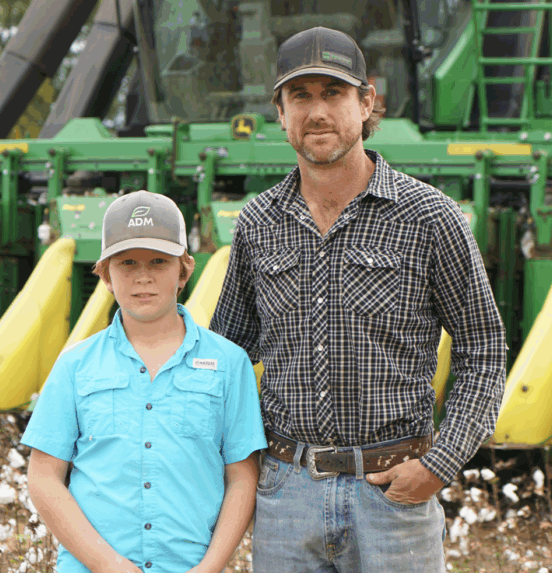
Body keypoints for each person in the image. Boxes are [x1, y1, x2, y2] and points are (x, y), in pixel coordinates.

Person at [209, 27, 507, 572]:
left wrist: (439, 465)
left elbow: (483, 349)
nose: (317, 112)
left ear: (367, 103)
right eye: (300, 96)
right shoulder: (258, 223)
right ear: (280, 113)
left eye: (334, 93)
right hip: (287, 495)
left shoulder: (429, 217)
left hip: (393, 496)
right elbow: (225, 355)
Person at [22, 190, 267, 573]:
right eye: (127, 263)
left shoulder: (230, 364)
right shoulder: (74, 365)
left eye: (158, 261)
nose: (143, 277)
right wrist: (108, 565)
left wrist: (209, 568)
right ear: (105, 274)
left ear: (184, 270)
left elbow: (242, 475)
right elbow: (43, 477)